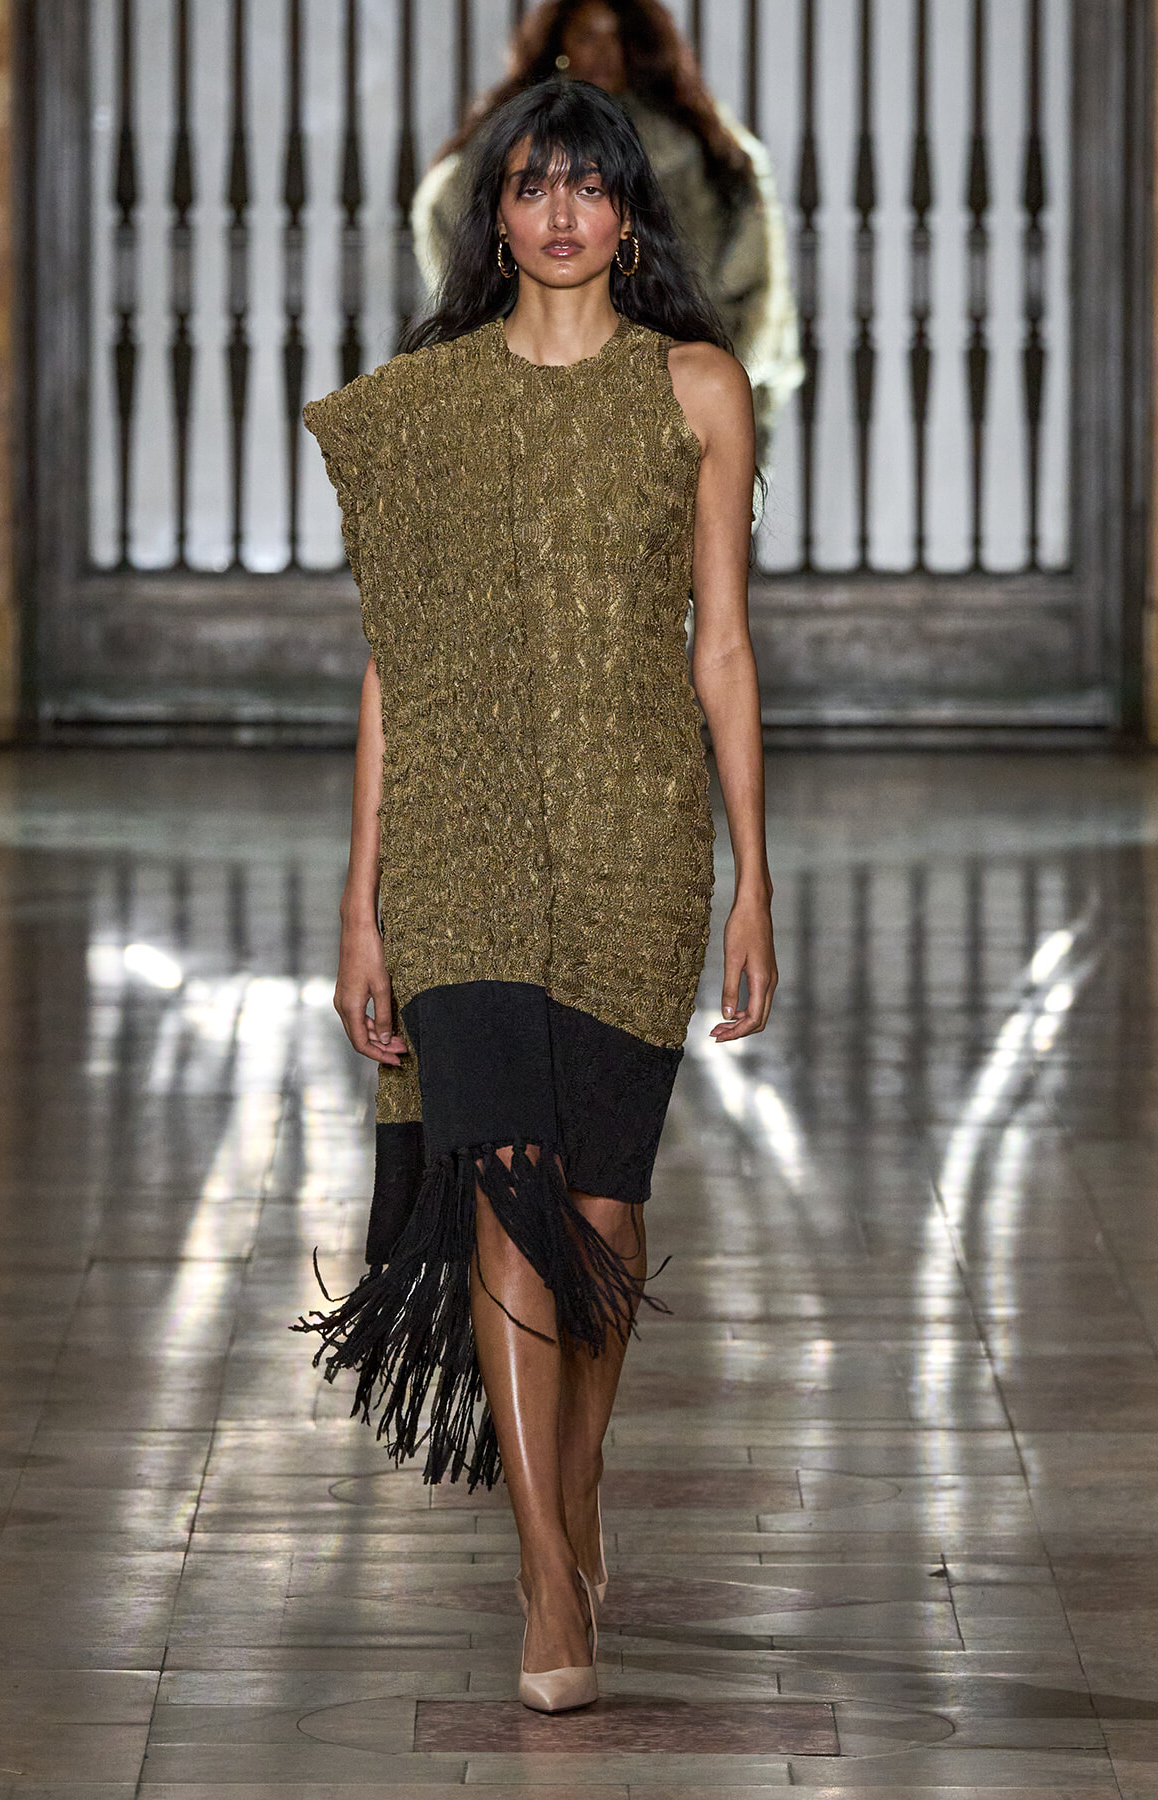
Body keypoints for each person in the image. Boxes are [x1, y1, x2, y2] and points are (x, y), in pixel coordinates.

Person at [297, 78, 776, 1715]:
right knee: (503, 1177)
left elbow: (720, 644)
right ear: (491, 215)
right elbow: (390, 664)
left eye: (587, 183)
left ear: (628, 211)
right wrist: (362, 899)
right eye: (528, 183)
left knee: (603, 1213)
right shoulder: (419, 409)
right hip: (459, 842)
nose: (558, 209)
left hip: (640, 834)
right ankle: (545, 1580)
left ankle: (574, 1495)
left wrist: (755, 879)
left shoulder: (696, 391)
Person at [412, 0, 802, 464]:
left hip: (679, 415)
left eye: (619, 37)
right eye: (587, 35)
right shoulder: (511, 143)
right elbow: (451, 225)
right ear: (559, 44)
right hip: (539, 415)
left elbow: (756, 294)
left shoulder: (706, 152)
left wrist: (708, 389)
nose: (605, 52)